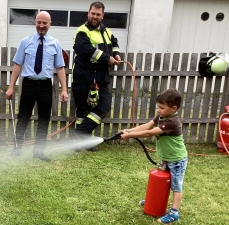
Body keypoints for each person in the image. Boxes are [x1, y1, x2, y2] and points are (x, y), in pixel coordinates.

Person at [5, 11, 69, 162]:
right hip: (28, 84)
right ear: (35, 23)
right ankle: (17, 148)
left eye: (44, 23)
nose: (41, 26)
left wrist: (64, 89)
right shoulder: (25, 42)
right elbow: (17, 65)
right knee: (23, 117)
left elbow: (60, 68)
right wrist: (11, 87)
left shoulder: (55, 44)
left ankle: (39, 151)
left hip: (46, 86)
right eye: (39, 22)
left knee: (44, 119)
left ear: (49, 24)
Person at [120, 88, 188, 224]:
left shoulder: (172, 122)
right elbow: (148, 125)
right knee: (164, 181)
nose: (158, 110)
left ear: (174, 108)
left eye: (162, 108)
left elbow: (149, 133)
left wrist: (130, 135)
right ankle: (155, 200)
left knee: (176, 186)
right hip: (167, 158)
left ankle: (174, 213)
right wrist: (129, 130)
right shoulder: (162, 117)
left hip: (177, 160)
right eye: (158, 107)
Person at [71, 1, 121, 151]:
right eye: (93, 13)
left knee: (104, 106)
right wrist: (107, 58)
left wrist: (117, 54)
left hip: (101, 77)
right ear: (88, 13)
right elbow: (84, 49)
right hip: (82, 76)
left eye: (98, 14)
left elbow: (115, 43)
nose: (95, 16)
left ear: (102, 15)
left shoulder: (107, 31)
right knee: (82, 110)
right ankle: (82, 143)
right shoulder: (82, 31)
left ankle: (79, 135)